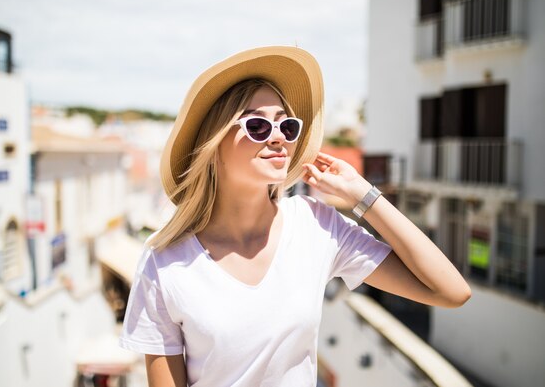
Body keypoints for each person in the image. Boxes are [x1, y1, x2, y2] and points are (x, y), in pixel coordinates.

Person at [119, 46, 471, 387]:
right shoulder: (163, 263)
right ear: (214, 146)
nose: (278, 138)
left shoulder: (316, 226)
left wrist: (363, 194)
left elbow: (450, 291)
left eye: (286, 126)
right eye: (257, 126)